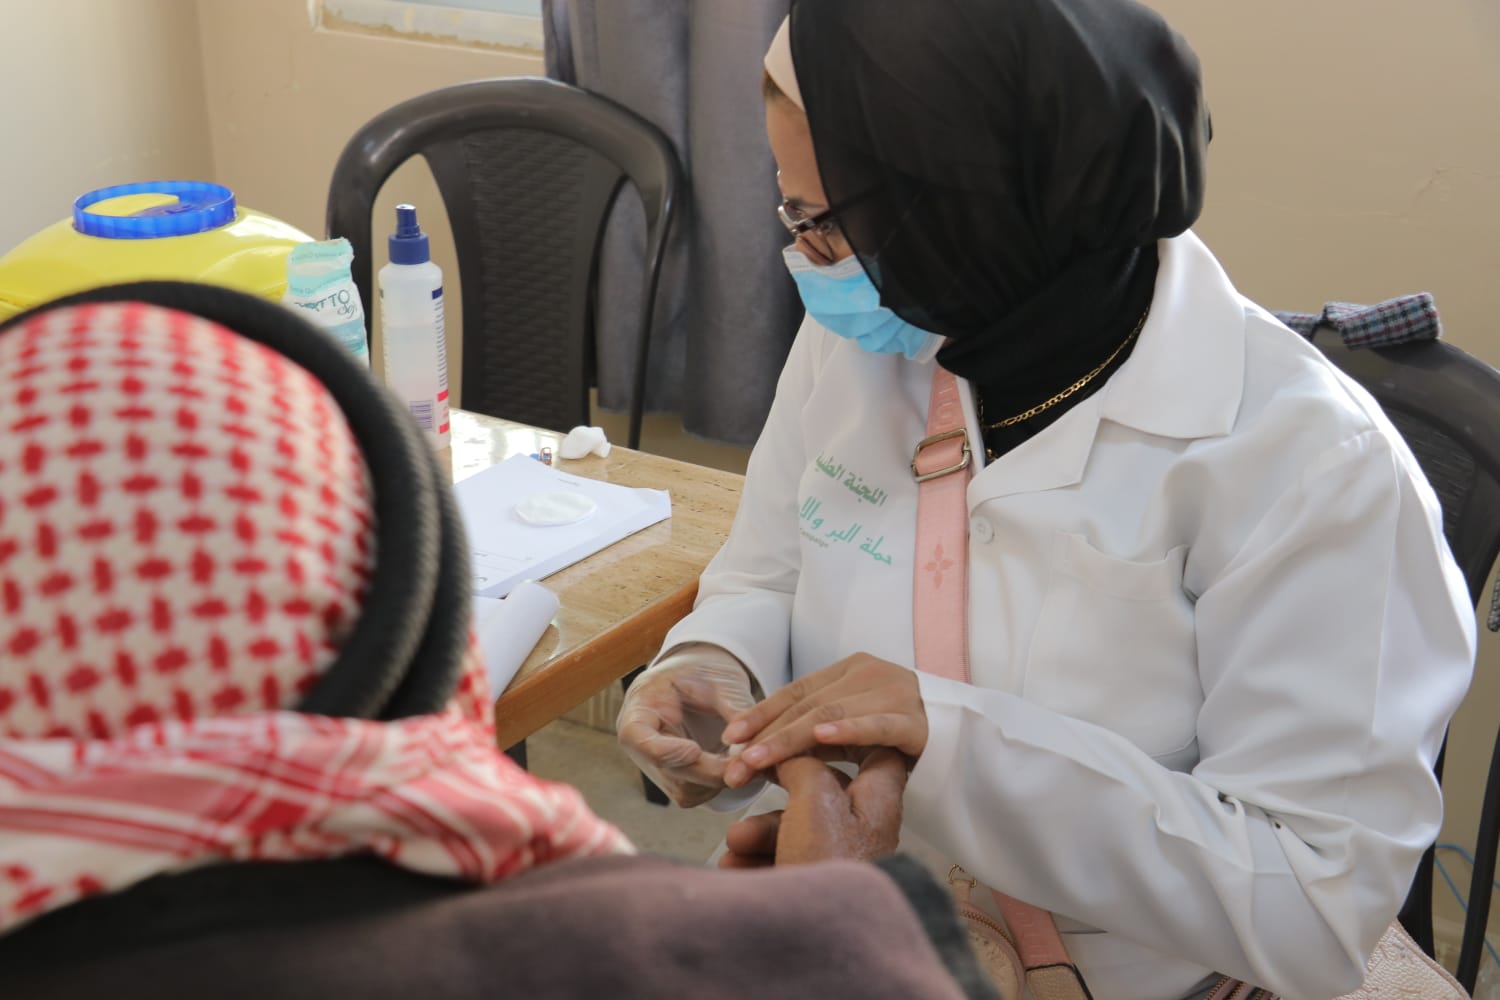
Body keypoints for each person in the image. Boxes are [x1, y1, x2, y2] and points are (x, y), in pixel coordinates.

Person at [616, 2, 1478, 998]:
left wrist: (948, 742)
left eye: (826, 224)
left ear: (969, 205)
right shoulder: (876, 335)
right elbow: (768, 568)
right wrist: (711, 664)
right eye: (792, 215)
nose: (806, 261)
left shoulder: (1312, 466)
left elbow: (1311, 905)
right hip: (872, 931)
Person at [0, 287, 995, 1000]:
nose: (809, 249)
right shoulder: (720, 956)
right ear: (409, 603)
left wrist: (707, 662)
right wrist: (810, 923)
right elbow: (767, 557)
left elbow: (764, 557)